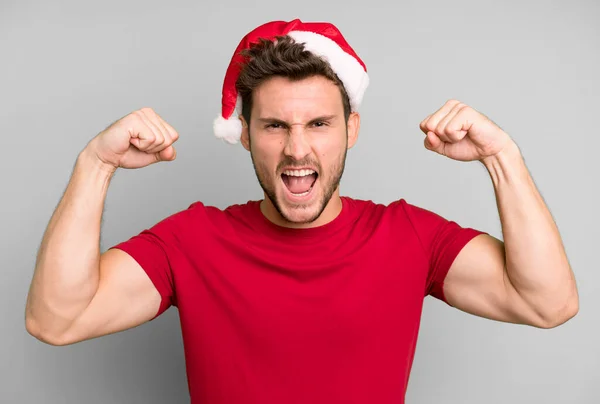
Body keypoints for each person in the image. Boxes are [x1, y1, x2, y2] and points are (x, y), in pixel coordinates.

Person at [25, 19, 578, 404]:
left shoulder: (409, 236)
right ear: (243, 134)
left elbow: (547, 302)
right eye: (274, 126)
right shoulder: (192, 241)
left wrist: (502, 158)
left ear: (350, 130)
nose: (297, 149)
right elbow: (56, 319)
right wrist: (95, 164)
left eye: (318, 123)